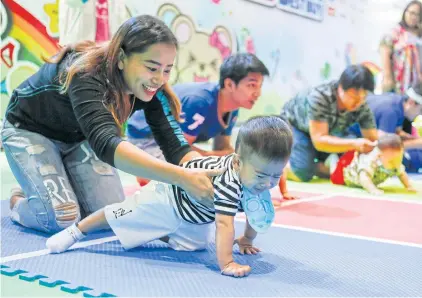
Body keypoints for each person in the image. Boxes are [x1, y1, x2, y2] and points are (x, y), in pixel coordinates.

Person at [1, 15, 224, 234]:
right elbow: (107, 144)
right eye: (152, 67)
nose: (160, 79)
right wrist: (182, 177)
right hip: (29, 129)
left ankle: (55, 180)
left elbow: (177, 148)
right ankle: (20, 199)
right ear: (121, 58)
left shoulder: (152, 89)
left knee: (110, 215)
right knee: (61, 218)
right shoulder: (84, 72)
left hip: (78, 138)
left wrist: (206, 172)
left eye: (167, 69)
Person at [46, 115, 293, 278]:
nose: (268, 183)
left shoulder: (257, 179)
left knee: (193, 248)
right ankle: (76, 231)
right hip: (167, 199)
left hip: (193, 216)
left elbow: (256, 211)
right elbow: (224, 223)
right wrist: (226, 262)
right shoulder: (231, 181)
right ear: (238, 162)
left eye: (276, 175)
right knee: (119, 214)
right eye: (263, 176)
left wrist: (246, 240)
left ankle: (159, 231)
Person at [279, 64, 378, 183]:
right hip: (295, 126)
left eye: (364, 97)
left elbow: (373, 140)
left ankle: (317, 166)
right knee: (302, 173)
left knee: (351, 156)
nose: (358, 102)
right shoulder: (320, 96)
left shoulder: (361, 105)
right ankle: (273, 164)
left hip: (327, 131)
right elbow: (319, 141)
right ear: (340, 88)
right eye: (354, 96)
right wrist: (355, 144)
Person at [349, 82, 422, 172]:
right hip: (350, 139)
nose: (420, 114)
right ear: (411, 102)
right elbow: (383, 146)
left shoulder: (397, 101)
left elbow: (392, 132)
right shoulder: (391, 112)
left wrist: (409, 138)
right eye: (421, 110)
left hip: (357, 134)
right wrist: (417, 143)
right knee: (411, 161)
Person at [380, 0, 422, 134]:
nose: (414, 17)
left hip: (414, 85)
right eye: (411, 13)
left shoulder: (419, 35)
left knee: (409, 118)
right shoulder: (395, 32)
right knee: (395, 117)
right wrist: (387, 77)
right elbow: (385, 52)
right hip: (397, 83)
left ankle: (406, 147)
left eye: (418, 14)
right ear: (405, 13)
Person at [328, 134, 416, 195]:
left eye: (399, 157)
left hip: (362, 172)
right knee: (335, 178)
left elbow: (402, 174)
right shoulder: (371, 161)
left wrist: (409, 186)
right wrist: (372, 189)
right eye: (391, 160)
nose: (395, 162)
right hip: (348, 175)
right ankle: (332, 159)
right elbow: (364, 177)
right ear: (379, 155)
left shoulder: (395, 162)